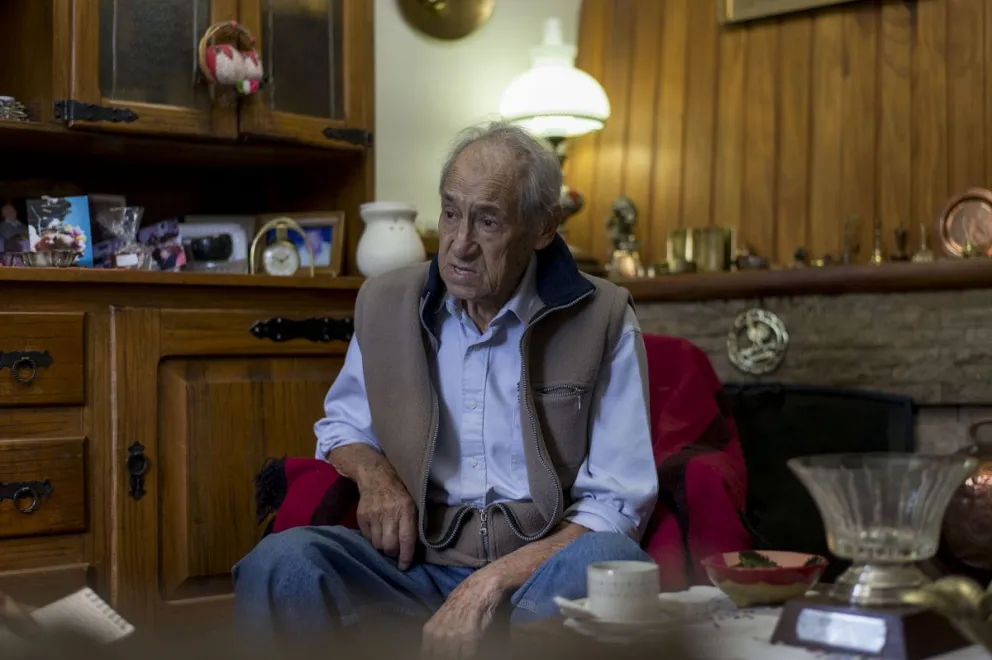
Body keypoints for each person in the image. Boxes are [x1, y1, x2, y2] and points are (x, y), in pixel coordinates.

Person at [233, 122, 659, 656]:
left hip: (539, 574)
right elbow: (342, 426)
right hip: (413, 567)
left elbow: (618, 504)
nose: (459, 244)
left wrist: (488, 584)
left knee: (615, 567)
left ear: (544, 227)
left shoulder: (603, 317)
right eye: (451, 212)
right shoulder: (386, 303)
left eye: (488, 221)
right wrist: (375, 475)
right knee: (280, 564)